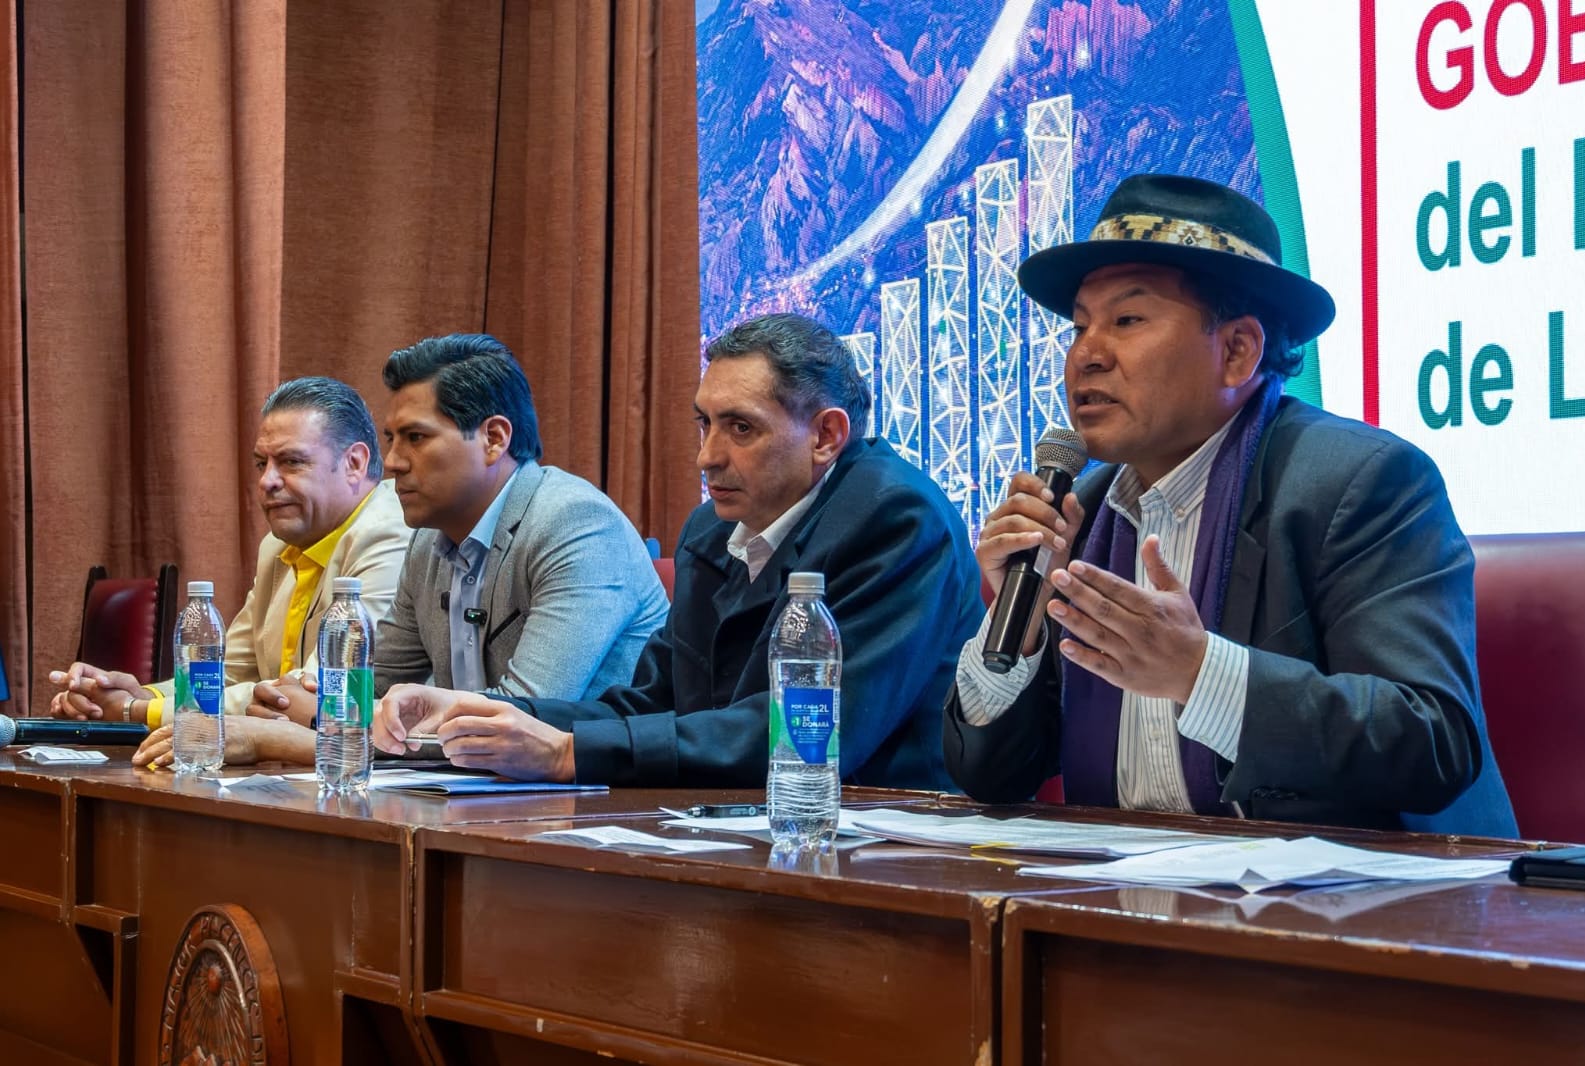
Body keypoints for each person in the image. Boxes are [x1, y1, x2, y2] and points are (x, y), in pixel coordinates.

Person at [943, 174, 1516, 836]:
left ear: (1238, 351)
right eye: (1078, 326)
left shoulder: (1361, 481)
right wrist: (1020, 620)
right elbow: (990, 776)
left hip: (1355, 889)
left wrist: (1199, 673)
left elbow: (1431, 741)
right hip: (1128, 885)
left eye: (1127, 320)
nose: (1086, 356)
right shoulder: (1085, 513)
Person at [372, 313, 984, 789]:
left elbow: (807, 732)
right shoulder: (711, 529)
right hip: (742, 820)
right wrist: (473, 713)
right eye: (703, 424)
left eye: (740, 428)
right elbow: (651, 702)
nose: (706, 456)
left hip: (884, 831)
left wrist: (567, 754)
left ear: (825, 435)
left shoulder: (896, 517)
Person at [50, 377, 410, 726]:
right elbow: (230, 672)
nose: (267, 481)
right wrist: (140, 695)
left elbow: (312, 695)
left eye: (291, 461)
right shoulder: (278, 546)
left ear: (354, 464)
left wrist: (138, 712)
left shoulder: (388, 533)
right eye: (261, 464)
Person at [370, 332, 669, 701]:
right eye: (391, 439)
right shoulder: (428, 540)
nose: (392, 462)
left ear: (494, 439)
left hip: (570, 739)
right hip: (468, 741)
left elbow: (527, 711)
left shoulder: (576, 523)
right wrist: (313, 696)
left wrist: (340, 719)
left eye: (415, 437)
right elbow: (369, 686)